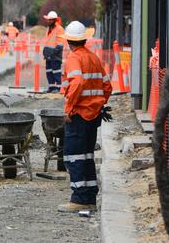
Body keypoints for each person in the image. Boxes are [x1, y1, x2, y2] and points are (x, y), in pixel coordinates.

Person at [58, 21, 112, 213]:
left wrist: (69, 109)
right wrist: (98, 104)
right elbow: (107, 87)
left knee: (74, 157)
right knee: (87, 156)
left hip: (79, 115)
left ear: (68, 41)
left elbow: (77, 82)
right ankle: (89, 197)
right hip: (94, 115)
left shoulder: (73, 58)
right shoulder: (93, 58)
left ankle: (79, 199)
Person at [42, 11, 66, 93]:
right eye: (48, 20)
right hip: (49, 56)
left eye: (50, 20)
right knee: (49, 72)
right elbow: (47, 41)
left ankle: (58, 88)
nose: (48, 21)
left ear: (54, 20)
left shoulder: (59, 29)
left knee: (56, 71)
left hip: (55, 56)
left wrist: (52, 53)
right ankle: (51, 87)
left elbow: (60, 44)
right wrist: (45, 52)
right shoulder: (49, 29)